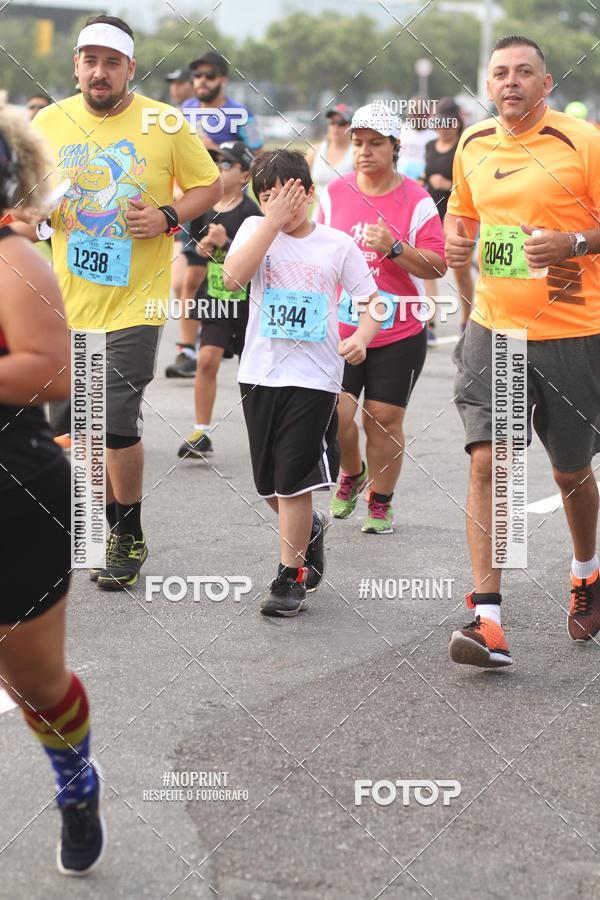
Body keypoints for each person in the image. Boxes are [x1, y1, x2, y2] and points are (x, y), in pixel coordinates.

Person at [29, 15, 221, 590]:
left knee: (113, 419)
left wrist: (167, 217)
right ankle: (108, 522)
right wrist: (39, 217)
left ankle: (129, 531)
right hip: (66, 304)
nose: (99, 71)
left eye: (112, 62)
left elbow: (208, 186)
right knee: (76, 427)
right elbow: (26, 199)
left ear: (130, 69)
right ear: (77, 65)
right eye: (90, 60)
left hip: (135, 303)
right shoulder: (48, 121)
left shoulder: (164, 123)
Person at [445, 35, 600, 669]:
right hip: (495, 328)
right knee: (489, 464)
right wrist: (457, 257)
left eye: (524, 73)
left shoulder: (582, 141)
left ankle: (587, 571)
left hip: (573, 329)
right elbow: (464, 221)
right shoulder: (473, 144)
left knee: (570, 473)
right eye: (500, 73)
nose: (511, 82)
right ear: (488, 85)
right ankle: (488, 619)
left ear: (546, 82)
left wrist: (575, 243)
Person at [0, 108, 104, 876]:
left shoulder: (12, 257)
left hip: (15, 491)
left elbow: (53, 369)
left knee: (33, 683)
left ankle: (75, 781)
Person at [223, 150, 382, 616]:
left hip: (315, 378)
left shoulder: (336, 245)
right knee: (268, 485)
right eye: (265, 198)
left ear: (309, 194)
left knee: (293, 480)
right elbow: (232, 279)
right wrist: (270, 221)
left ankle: (289, 577)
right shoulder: (255, 231)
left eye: (285, 197)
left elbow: (372, 301)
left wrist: (363, 338)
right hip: (258, 373)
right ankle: (307, 531)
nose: (275, 206)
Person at [317, 102, 446, 534]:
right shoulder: (334, 194)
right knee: (335, 413)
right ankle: (352, 473)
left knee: (382, 418)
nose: (365, 152)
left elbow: (436, 266)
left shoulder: (417, 199)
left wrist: (395, 247)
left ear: (395, 147)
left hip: (399, 329)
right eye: (358, 143)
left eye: (375, 143)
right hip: (343, 327)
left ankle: (381, 500)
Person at [165, 50, 263, 379]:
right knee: (185, 280)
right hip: (190, 204)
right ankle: (188, 350)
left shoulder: (239, 114)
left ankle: (227, 339)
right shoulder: (185, 111)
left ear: (222, 79)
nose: (201, 81)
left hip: (227, 206)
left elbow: (257, 156)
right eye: (197, 76)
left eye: (209, 76)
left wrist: (215, 148)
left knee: (225, 277)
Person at [177, 141, 260, 459]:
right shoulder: (204, 208)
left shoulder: (252, 212)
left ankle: (262, 430)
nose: (219, 170)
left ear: (244, 175)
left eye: (227, 165)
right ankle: (201, 431)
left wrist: (226, 243)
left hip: (247, 304)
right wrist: (203, 250)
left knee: (251, 373)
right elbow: (196, 259)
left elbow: (256, 260)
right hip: (216, 301)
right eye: (215, 164)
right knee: (207, 360)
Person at [423, 96, 473, 341]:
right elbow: (426, 174)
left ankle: (467, 319)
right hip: (431, 213)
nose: (442, 127)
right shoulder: (430, 146)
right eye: (438, 121)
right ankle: (429, 324)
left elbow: (474, 185)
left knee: (461, 271)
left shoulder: (465, 147)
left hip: (457, 216)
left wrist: (447, 184)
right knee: (428, 268)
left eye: (447, 122)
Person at [306, 103, 354, 208]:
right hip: (319, 215)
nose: (336, 127)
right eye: (332, 122)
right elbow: (300, 181)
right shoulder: (315, 151)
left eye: (341, 123)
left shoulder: (356, 153)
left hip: (346, 213)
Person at [397, 96, 437, 181]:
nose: (416, 118)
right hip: (399, 183)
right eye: (412, 114)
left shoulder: (435, 137)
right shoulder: (400, 131)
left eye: (420, 114)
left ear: (428, 114)